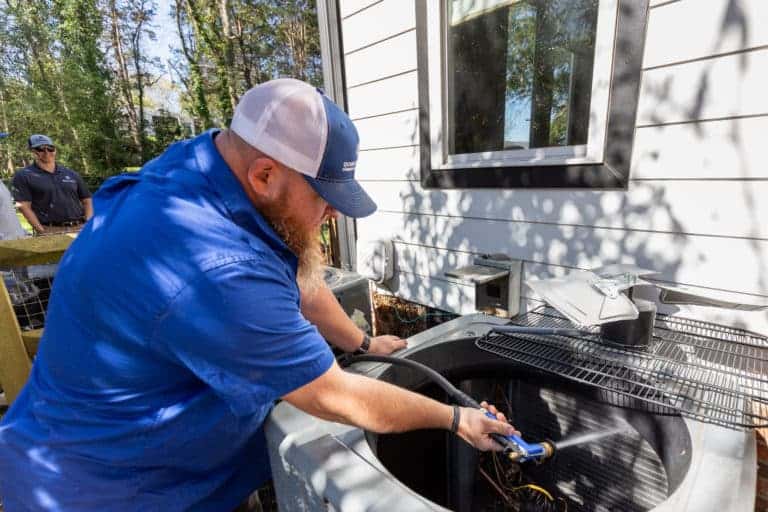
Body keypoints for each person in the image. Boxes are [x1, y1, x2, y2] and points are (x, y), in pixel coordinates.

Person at [0, 79, 517, 511]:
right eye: (324, 197)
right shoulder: (215, 267)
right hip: (110, 490)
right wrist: (457, 418)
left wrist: (361, 343)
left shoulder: (201, 168)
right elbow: (334, 395)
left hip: (110, 448)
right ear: (266, 174)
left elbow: (298, 277)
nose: (332, 214)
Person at [11, 134, 93, 235]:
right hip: (50, 230)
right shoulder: (23, 175)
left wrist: (89, 223)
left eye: (50, 148)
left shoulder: (70, 173)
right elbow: (23, 206)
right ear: (33, 151)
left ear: (55, 150)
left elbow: (87, 200)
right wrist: (41, 230)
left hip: (80, 228)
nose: (46, 152)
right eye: (40, 149)